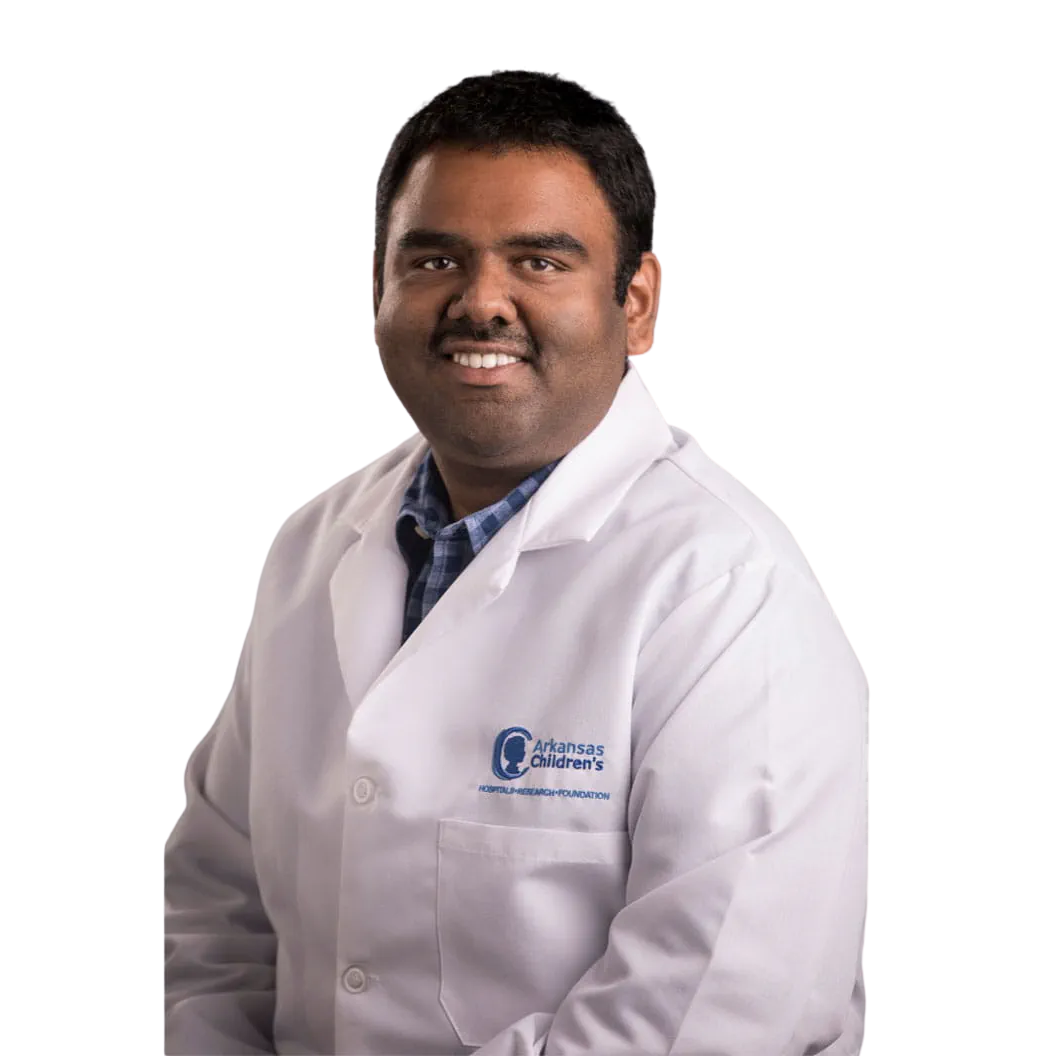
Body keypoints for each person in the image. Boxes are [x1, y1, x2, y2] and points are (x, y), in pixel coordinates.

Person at [164, 68, 869, 1055]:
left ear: (637, 304)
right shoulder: (309, 546)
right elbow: (210, 915)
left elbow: (711, 1016)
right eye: (434, 259)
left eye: (540, 261)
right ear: (378, 287)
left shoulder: (727, 589)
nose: (481, 302)